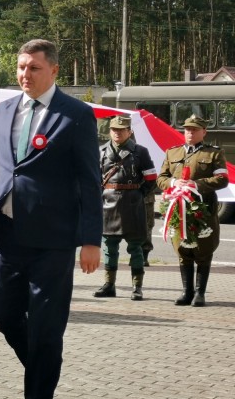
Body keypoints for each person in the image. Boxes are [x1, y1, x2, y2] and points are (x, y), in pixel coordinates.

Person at [0, 39, 102, 399]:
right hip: (9, 235)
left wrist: (90, 240)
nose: (24, 75)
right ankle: (43, 369)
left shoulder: (77, 115)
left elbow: (89, 181)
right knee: (4, 315)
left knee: (46, 329)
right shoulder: (3, 110)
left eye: (33, 68)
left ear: (53, 72)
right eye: (20, 67)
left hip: (53, 242)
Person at [156, 115, 229, 307]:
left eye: (195, 130)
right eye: (187, 129)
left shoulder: (214, 153)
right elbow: (161, 178)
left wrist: (195, 184)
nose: (190, 132)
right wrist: (173, 182)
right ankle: (186, 291)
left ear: (203, 132)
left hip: (203, 209)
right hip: (179, 210)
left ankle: (199, 293)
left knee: (203, 250)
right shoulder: (172, 152)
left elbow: (222, 179)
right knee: (182, 250)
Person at [93, 115, 157, 301]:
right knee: (109, 248)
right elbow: (96, 178)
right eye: (114, 129)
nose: (117, 133)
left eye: (121, 130)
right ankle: (109, 285)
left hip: (133, 205)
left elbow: (151, 178)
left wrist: (138, 194)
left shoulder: (140, 152)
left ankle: (137, 287)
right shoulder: (101, 151)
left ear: (129, 131)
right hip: (108, 205)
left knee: (135, 248)